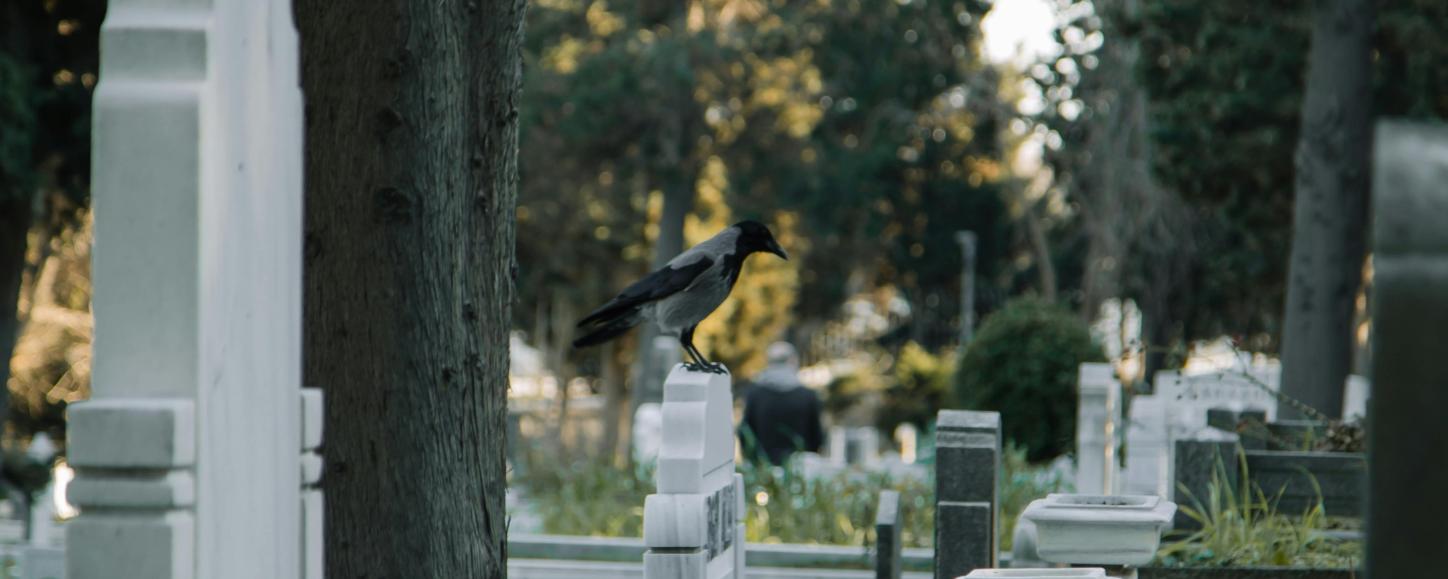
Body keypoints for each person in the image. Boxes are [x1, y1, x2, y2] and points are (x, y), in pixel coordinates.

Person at [739, 342, 824, 465]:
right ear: (792, 360)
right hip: (799, 468)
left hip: (763, 469)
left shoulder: (755, 394)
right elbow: (817, 436)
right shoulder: (807, 396)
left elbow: (746, 433)